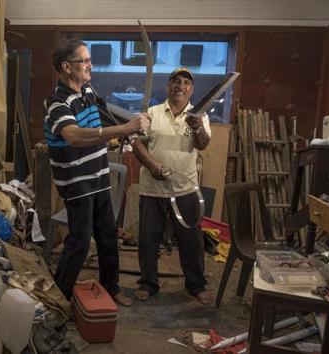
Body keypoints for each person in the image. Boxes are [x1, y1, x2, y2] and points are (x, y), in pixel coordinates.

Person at [43, 40, 150, 306]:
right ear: (67, 67)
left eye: (90, 59)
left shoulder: (87, 90)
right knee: (79, 242)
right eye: (85, 60)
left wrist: (129, 125)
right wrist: (123, 130)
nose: (91, 65)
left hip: (99, 175)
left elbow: (104, 115)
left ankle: (110, 288)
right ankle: (60, 298)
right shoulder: (56, 101)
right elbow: (74, 136)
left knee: (107, 235)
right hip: (76, 183)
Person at [132, 67, 213, 305]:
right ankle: (148, 284)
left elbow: (204, 144)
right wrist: (153, 166)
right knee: (148, 239)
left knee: (192, 241)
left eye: (186, 82)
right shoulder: (152, 113)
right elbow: (138, 145)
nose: (180, 85)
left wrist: (197, 126)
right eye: (176, 81)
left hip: (185, 188)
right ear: (168, 86)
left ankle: (196, 285)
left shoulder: (199, 116)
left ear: (191, 90)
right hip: (152, 188)